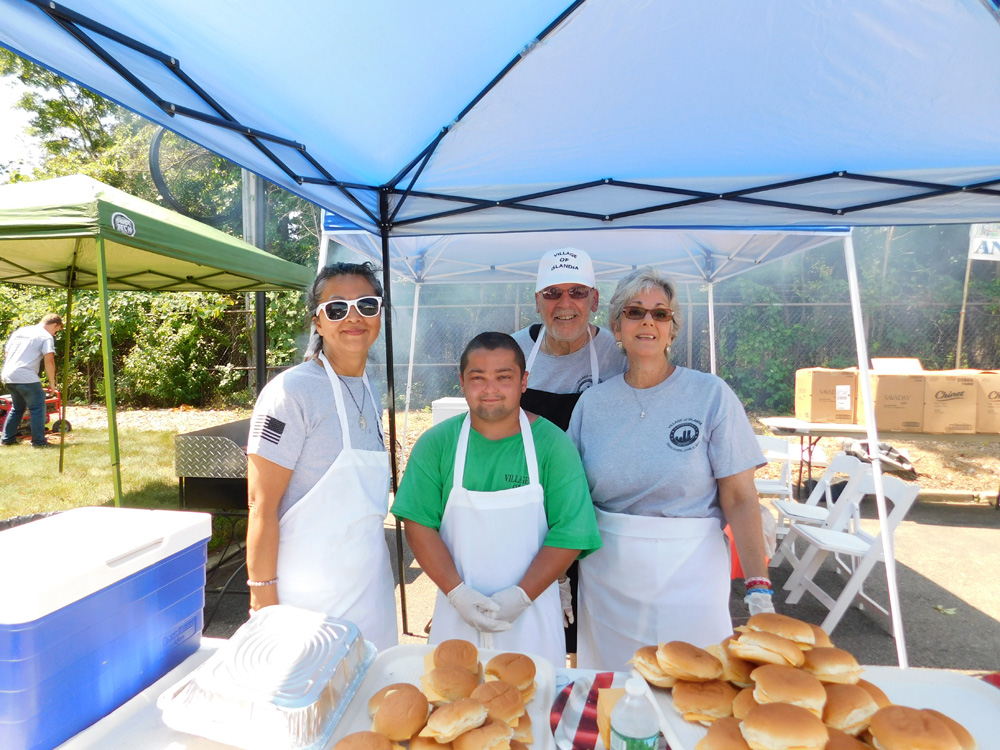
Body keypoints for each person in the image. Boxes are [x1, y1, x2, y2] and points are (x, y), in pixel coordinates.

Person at [568, 267, 773, 672]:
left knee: (697, 690)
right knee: (616, 693)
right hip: (608, 577)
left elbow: (740, 497)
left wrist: (758, 588)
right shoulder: (592, 404)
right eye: (635, 312)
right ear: (616, 327)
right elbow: (572, 500)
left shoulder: (711, 395)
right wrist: (558, 579)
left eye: (660, 314)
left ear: (672, 329)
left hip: (692, 574)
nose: (648, 321)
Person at [392, 332, 601, 665]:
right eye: (478, 378)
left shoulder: (552, 445)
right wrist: (457, 593)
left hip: (532, 615)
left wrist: (521, 596)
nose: (490, 389)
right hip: (455, 611)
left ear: (523, 381)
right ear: (462, 381)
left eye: (504, 377)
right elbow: (419, 524)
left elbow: (571, 531)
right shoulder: (437, 445)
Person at [245, 262, 397, 650]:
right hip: (306, 603)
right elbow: (261, 506)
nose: (353, 317)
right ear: (318, 322)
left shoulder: (368, 388)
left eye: (366, 304)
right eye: (336, 308)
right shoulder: (291, 392)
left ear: (380, 313)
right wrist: (263, 601)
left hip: (371, 590)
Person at [511, 247, 626, 656]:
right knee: (530, 628)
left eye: (577, 292)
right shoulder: (511, 352)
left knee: (590, 633)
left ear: (595, 300)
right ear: (537, 300)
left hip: (593, 510)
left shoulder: (619, 353)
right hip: (526, 507)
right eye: (552, 293)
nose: (565, 304)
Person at [2, 313, 63, 447]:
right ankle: (39, 442)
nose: (54, 334)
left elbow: (6, 353)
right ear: (54, 325)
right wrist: (52, 383)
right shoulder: (45, 336)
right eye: (56, 330)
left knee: (17, 408)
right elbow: (49, 360)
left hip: (8, 374)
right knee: (37, 407)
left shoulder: (21, 331)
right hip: (26, 375)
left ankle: (7, 440)